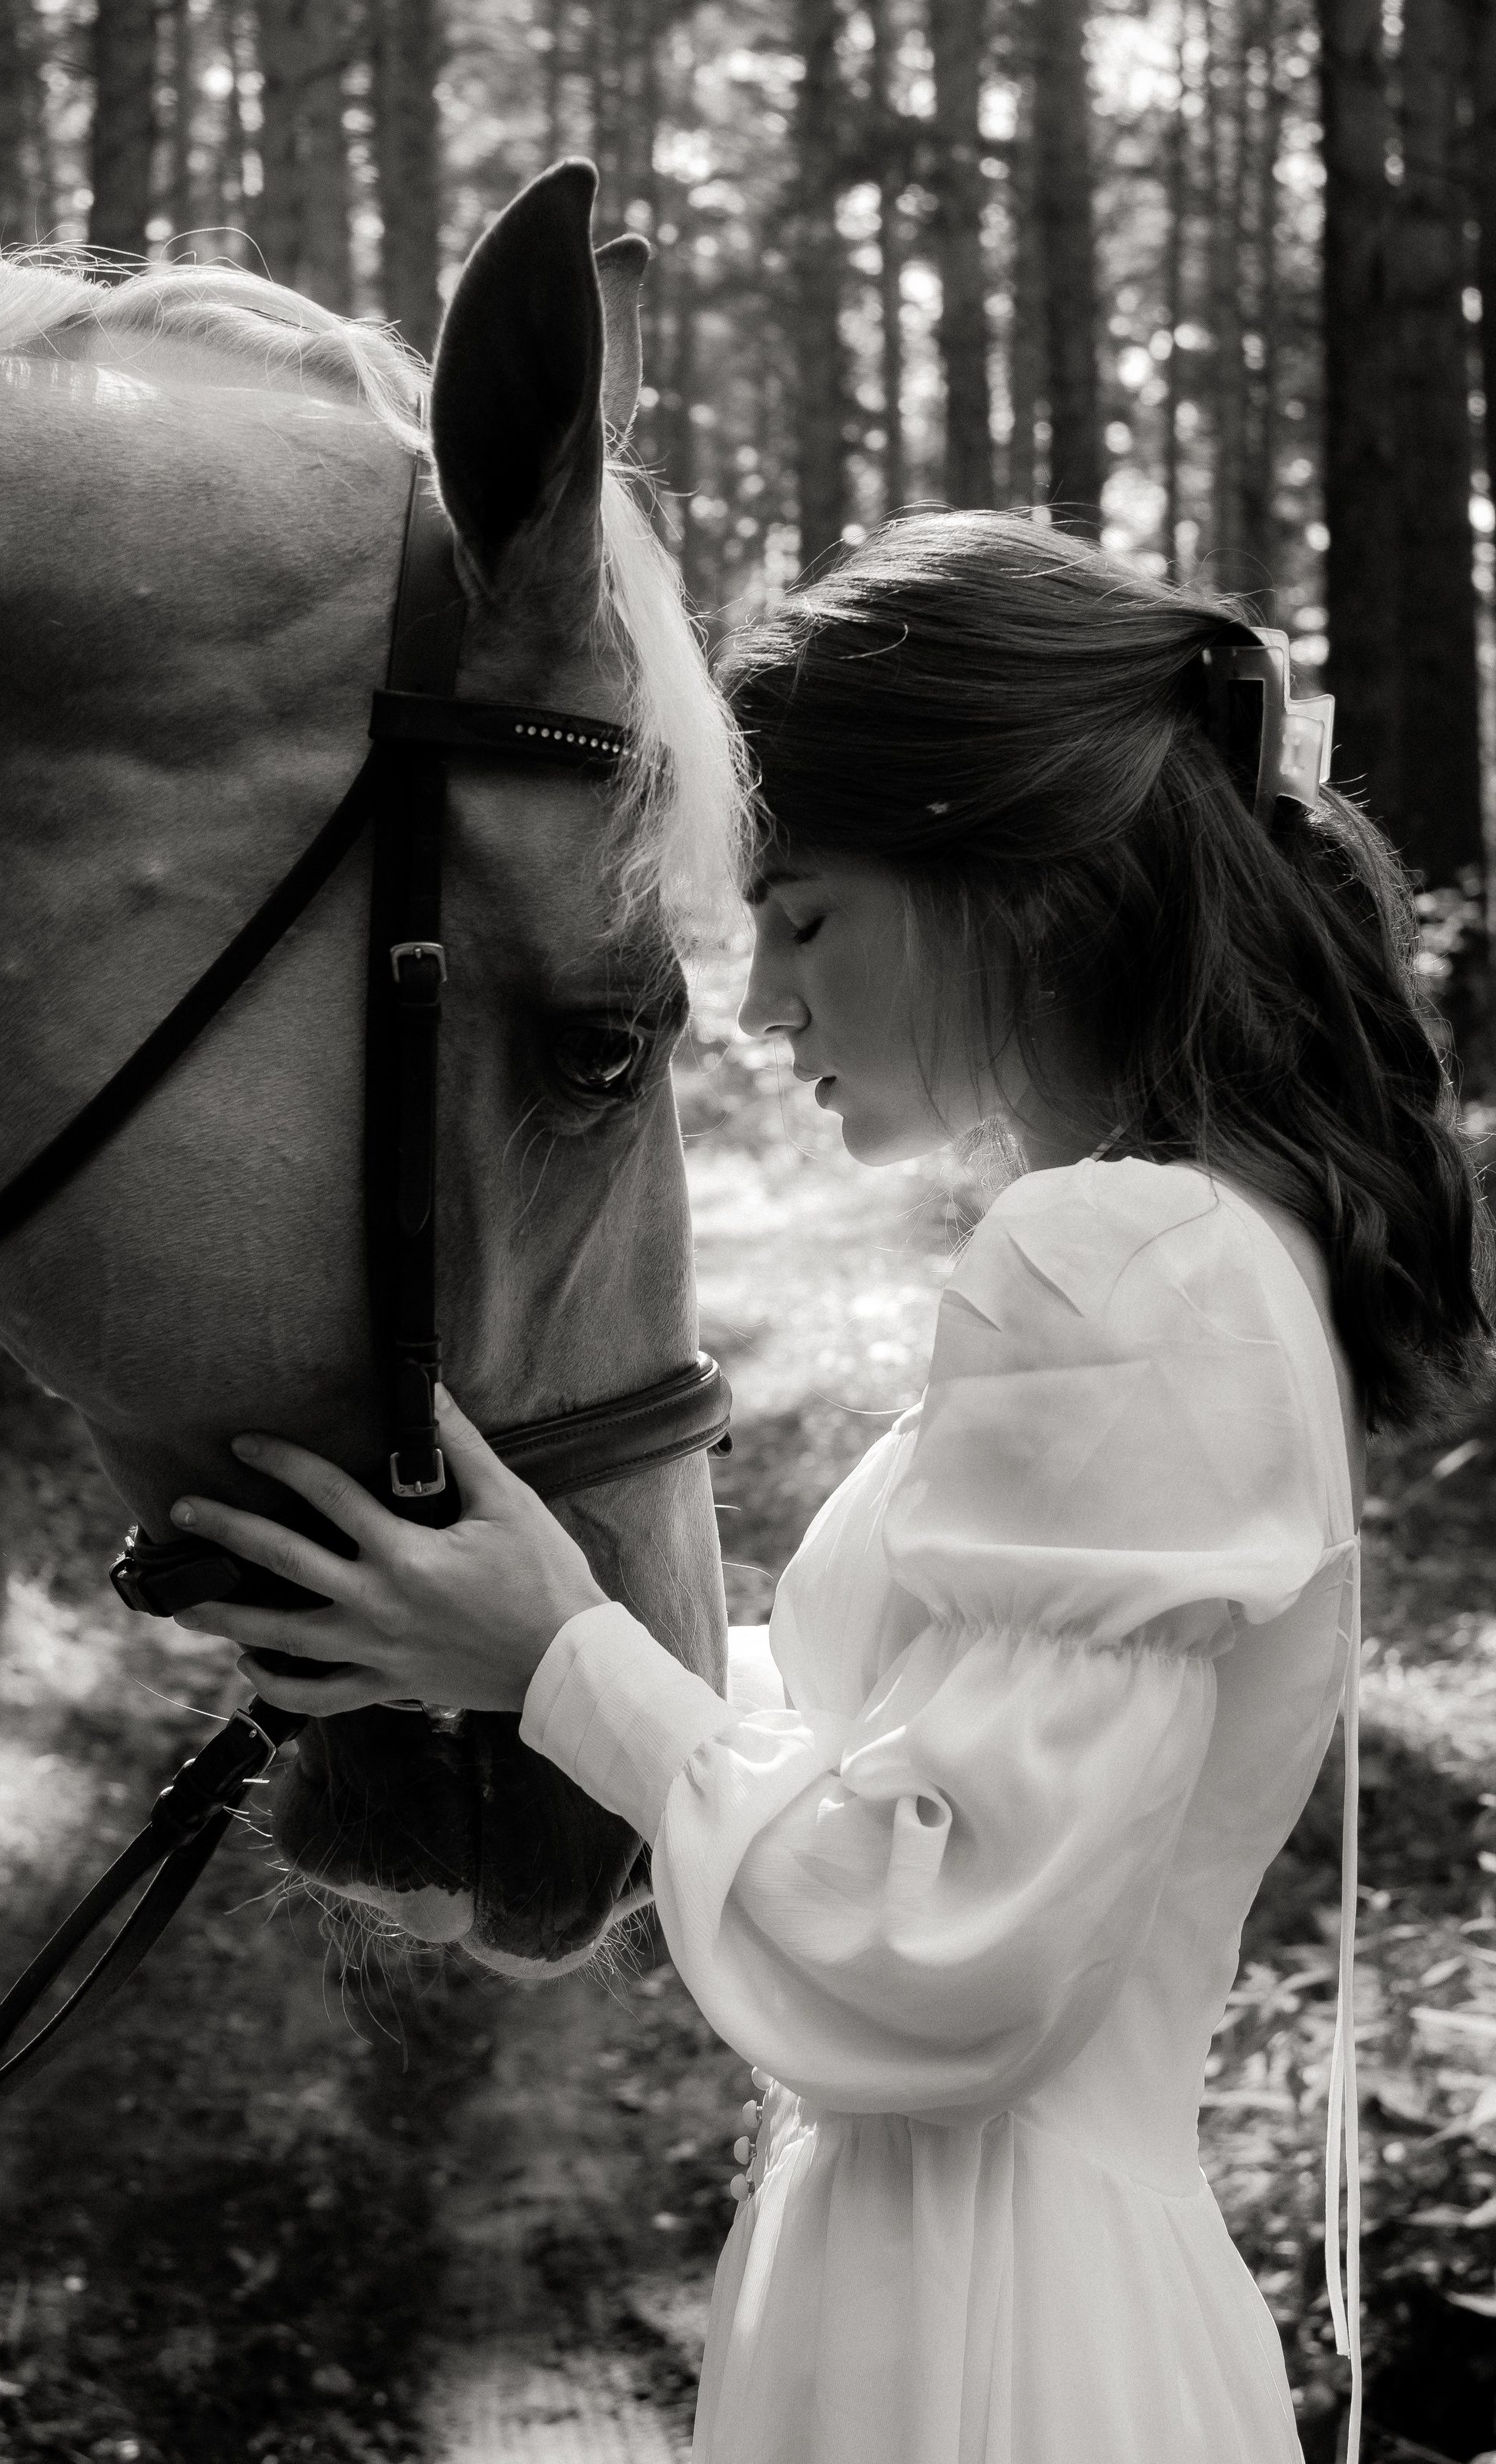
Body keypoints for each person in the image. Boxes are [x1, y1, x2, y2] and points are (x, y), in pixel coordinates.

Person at [169, 512, 1491, 2464]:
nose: (761, 1005)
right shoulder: (1190, 1245)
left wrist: (563, 1664)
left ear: (1012, 890)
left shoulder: (1118, 1264)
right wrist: (489, 1646)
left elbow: (943, 1952)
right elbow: (906, 1758)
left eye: (802, 918)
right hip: (980, 2298)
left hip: (986, 2349)